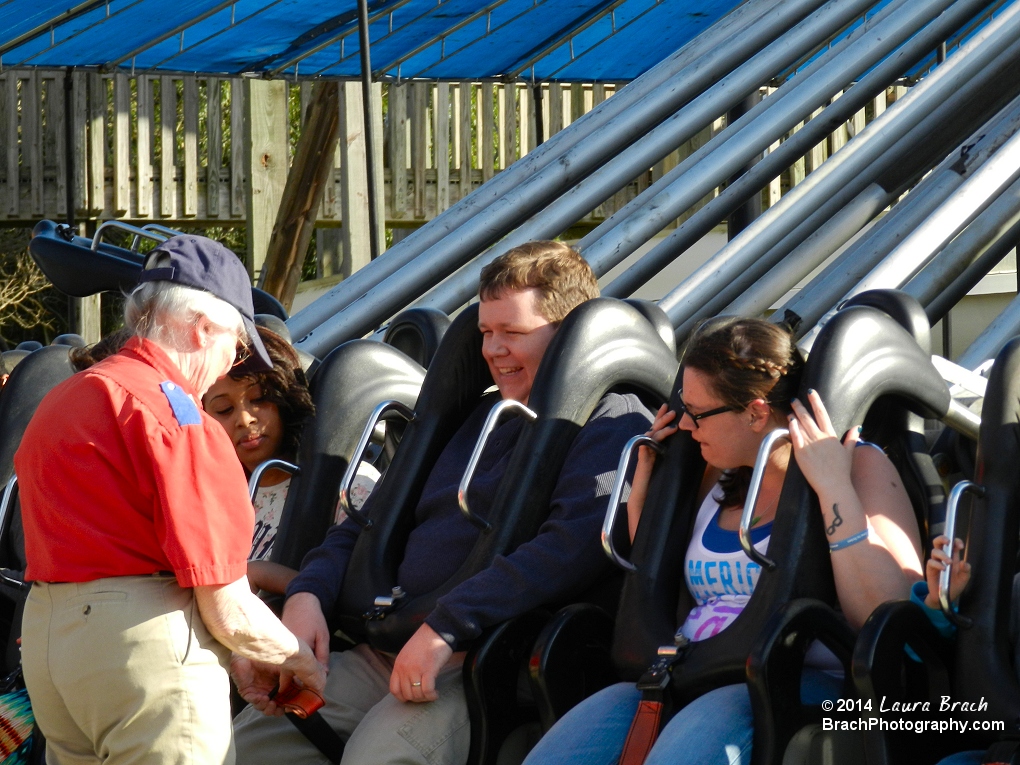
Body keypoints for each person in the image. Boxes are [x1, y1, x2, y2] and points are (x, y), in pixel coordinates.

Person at [232, 241, 656, 765]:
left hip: (477, 658)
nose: (493, 350)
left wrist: (446, 628)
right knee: (238, 748)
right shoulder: (472, 419)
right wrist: (307, 595)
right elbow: (367, 524)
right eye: (485, 332)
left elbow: (571, 549)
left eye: (514, 333)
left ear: (569, 336)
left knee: (379, 757)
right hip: (387, 642)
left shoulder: (614, 422)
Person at [523, 317, 925, 765]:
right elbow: (656, 576)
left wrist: (834, 488)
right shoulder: (719, 471)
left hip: (795, 677)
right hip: (691, 666)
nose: (688, 427)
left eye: (698, 413)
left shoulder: (857, 463)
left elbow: (885, 611)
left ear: (754, 412)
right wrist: (645, 489)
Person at [14, 235, 326, 765]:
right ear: (203, 327)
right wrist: (303, 664)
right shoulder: (178, 418)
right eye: (235, 342)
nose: (233, 357)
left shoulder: (69, 396)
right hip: (141, 655)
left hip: (51, 647)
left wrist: (237, 658)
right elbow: (225, 606)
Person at [202, 325, 378, 594]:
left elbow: (357, 592)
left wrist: (261, 575)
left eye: (259, 399)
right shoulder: (212, 499)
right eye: (224, 409)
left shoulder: (349, 484)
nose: (245, 419)